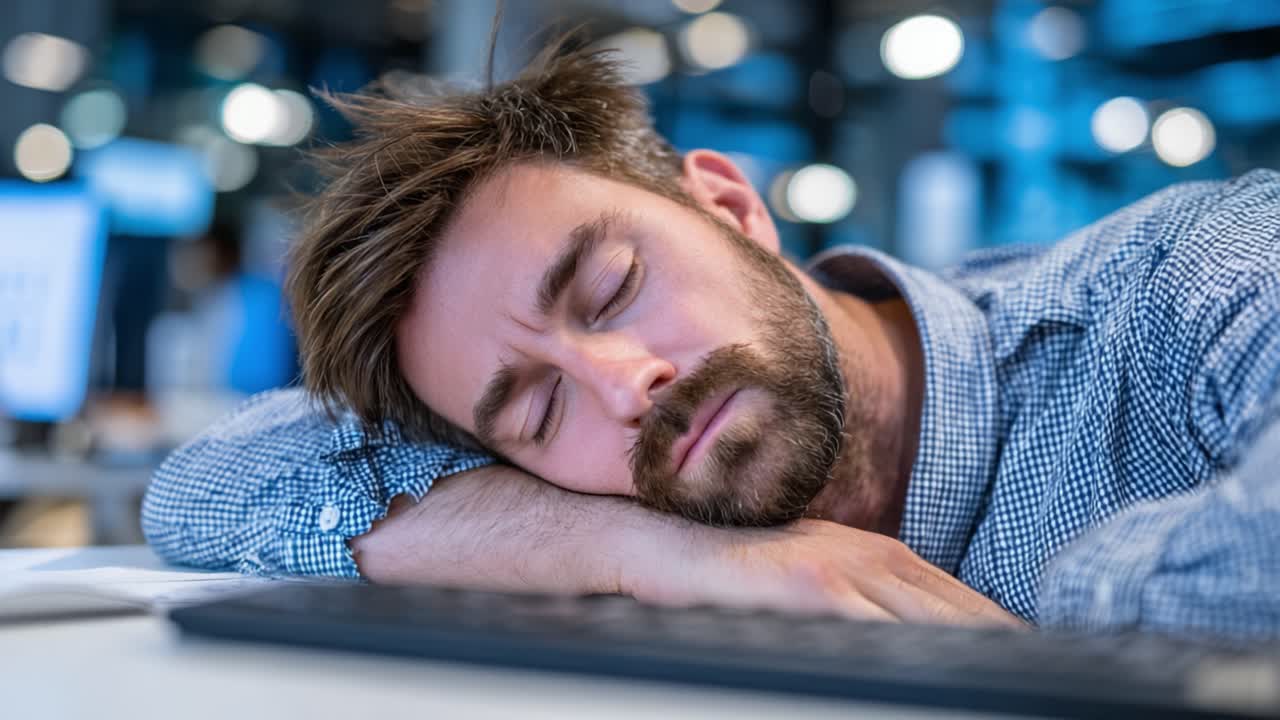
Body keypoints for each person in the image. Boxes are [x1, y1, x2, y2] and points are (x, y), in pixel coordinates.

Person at [142, 39, 1280, 640]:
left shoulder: (1193, 281)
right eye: (537, 412)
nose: (621, 385)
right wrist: (651, 555)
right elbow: (205, 487)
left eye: (612, 287)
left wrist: (1011, 626)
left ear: (729, 207)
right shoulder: (632, 514)